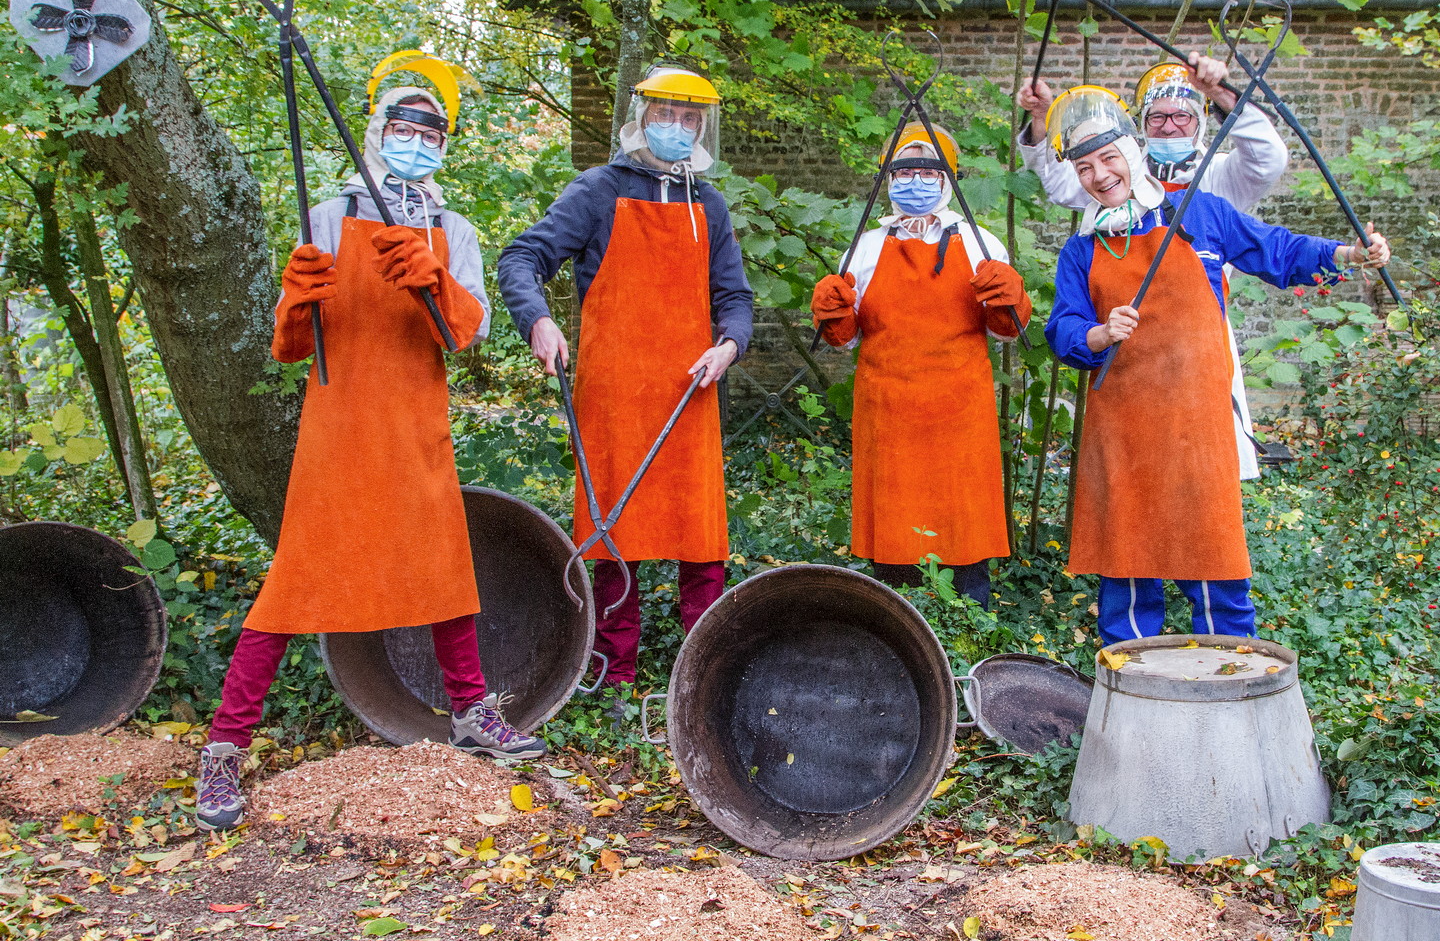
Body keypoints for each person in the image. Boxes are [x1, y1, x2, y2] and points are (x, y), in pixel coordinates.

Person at [195, 72, 543, 833]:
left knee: (445, 570)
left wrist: (436, 284)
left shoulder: (455, 228)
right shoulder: (329, 212)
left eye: (431, 131)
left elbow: (470, 331)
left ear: (444, 142)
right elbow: (292, 346)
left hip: (416, 420)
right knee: (293, 584)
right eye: (404, 126)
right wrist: (297, 298)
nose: (416, 141)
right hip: (339, 426)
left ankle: (470, 712)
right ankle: (224, 746)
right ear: (377, 126)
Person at [1041, 86, 1390, 645]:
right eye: (1084, 168)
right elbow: (1062, 329)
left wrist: (1347, 255)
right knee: (1129, 555)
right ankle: (1130, 680)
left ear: (1131, 152)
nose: (1100, 175)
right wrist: (1098, 333)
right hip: (1123, 430)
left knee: (1212, 552)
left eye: (1108, 158)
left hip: (1198, 425)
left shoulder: (1200, 213)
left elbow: (1277, 251)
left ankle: (1233, 672)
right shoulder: (1080, 249)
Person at [497, 67, 753, 722]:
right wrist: (540, 320)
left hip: (689, 397)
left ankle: (707, 681)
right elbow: (521, 259)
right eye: (666, 114)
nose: (677, 127)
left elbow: (736, 300)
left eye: (689, 118)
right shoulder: (598, 191)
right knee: (612, 540)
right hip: (612, 397)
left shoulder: (710, 206)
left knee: (701, 543)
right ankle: (614, 681)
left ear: (701, 128)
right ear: (643, 117)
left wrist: (728, 346)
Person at [1019, 56, 1290, 480]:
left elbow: (1267, 159)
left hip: (1195, 336)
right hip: (1125, 338)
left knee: (1201, 465)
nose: (1168, 127)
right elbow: (1061, 179)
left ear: (1199, 120)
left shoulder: (1218, 176)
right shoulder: (1120, 170)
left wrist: (1220, 92)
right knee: (1138, 467)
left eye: (1181, 116)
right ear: (1140, 126)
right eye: (1157, 117)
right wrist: (1041, 116)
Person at [810, 123, 1031, 603]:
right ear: (887, 179)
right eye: (904, 170)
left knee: (964, 534)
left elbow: (1005, 330)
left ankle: (969, 630)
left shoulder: (981, 243)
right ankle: (900, 641)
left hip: (960, 413)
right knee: (894, 542)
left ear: (948, 178)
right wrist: (831, 311)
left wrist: (1012, 300)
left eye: (927, 170)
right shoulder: (864, 248)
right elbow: (842, 340)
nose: (915, 180)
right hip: (888, 413)